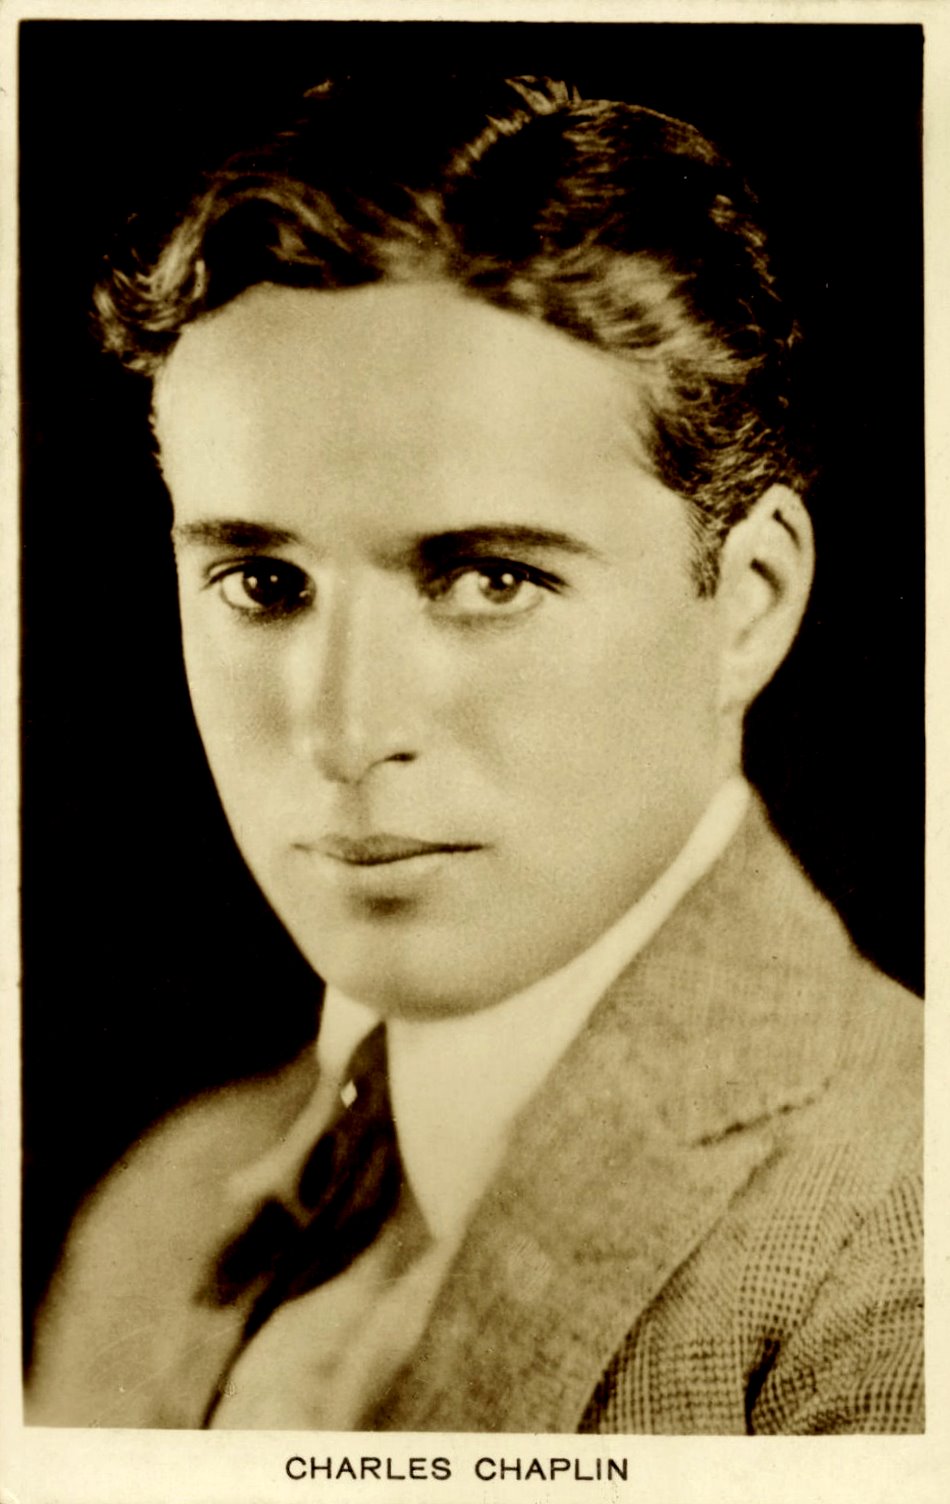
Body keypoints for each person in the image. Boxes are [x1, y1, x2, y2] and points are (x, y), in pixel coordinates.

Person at [26, 75, 922, 1434]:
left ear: (747, 599)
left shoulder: (898, 1250)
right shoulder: (156, 1225)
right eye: (263, 583)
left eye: (488, 578)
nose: (345, 732)